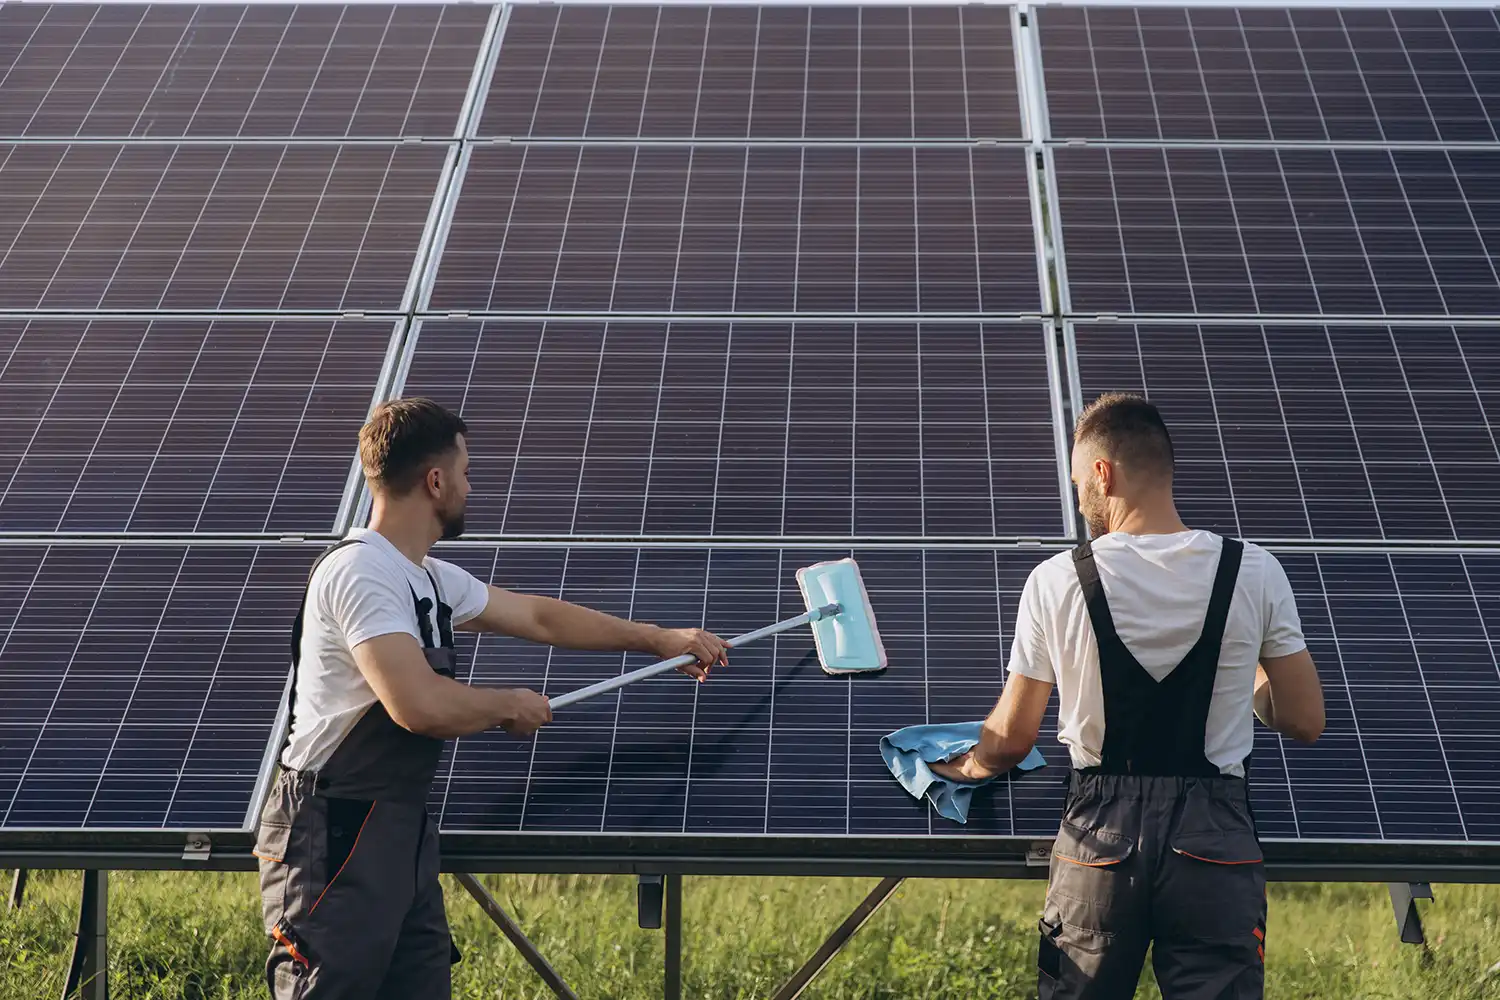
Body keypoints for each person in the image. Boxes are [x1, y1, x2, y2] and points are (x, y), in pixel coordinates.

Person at [254, 397, 729, 999]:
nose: (470, 487)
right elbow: (416, 704)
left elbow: (537, 617)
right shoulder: (362, 573)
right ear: (435, 481)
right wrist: (506, 704)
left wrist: (657, 639)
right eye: (466, 472)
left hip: (398, 829)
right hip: (334, 829)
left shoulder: (426, 576)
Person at [932, 392, 1325, 999]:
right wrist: (1242, 660)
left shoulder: (1057, 579)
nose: (1078, 499)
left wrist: (960, 766)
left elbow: (1010, 741)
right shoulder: (1254, 571)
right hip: (1215, 836)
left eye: (1077, 483)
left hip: (1099, 835)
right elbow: (1302, 719)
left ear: (1102, 473)